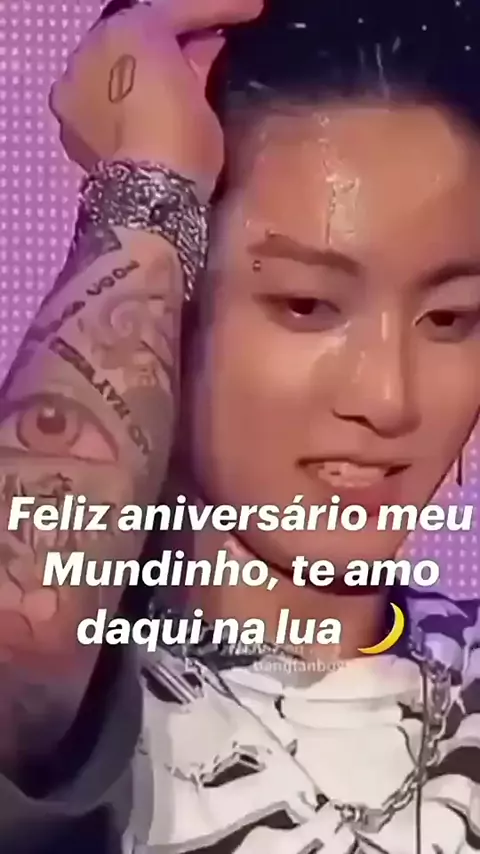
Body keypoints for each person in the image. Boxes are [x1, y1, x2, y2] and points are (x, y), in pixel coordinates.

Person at [1, 0, 480, 851]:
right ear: (169, 297)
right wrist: (148, 190)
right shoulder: (87, 709)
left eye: (450, 319)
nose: (389, 397)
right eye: (306, 304)